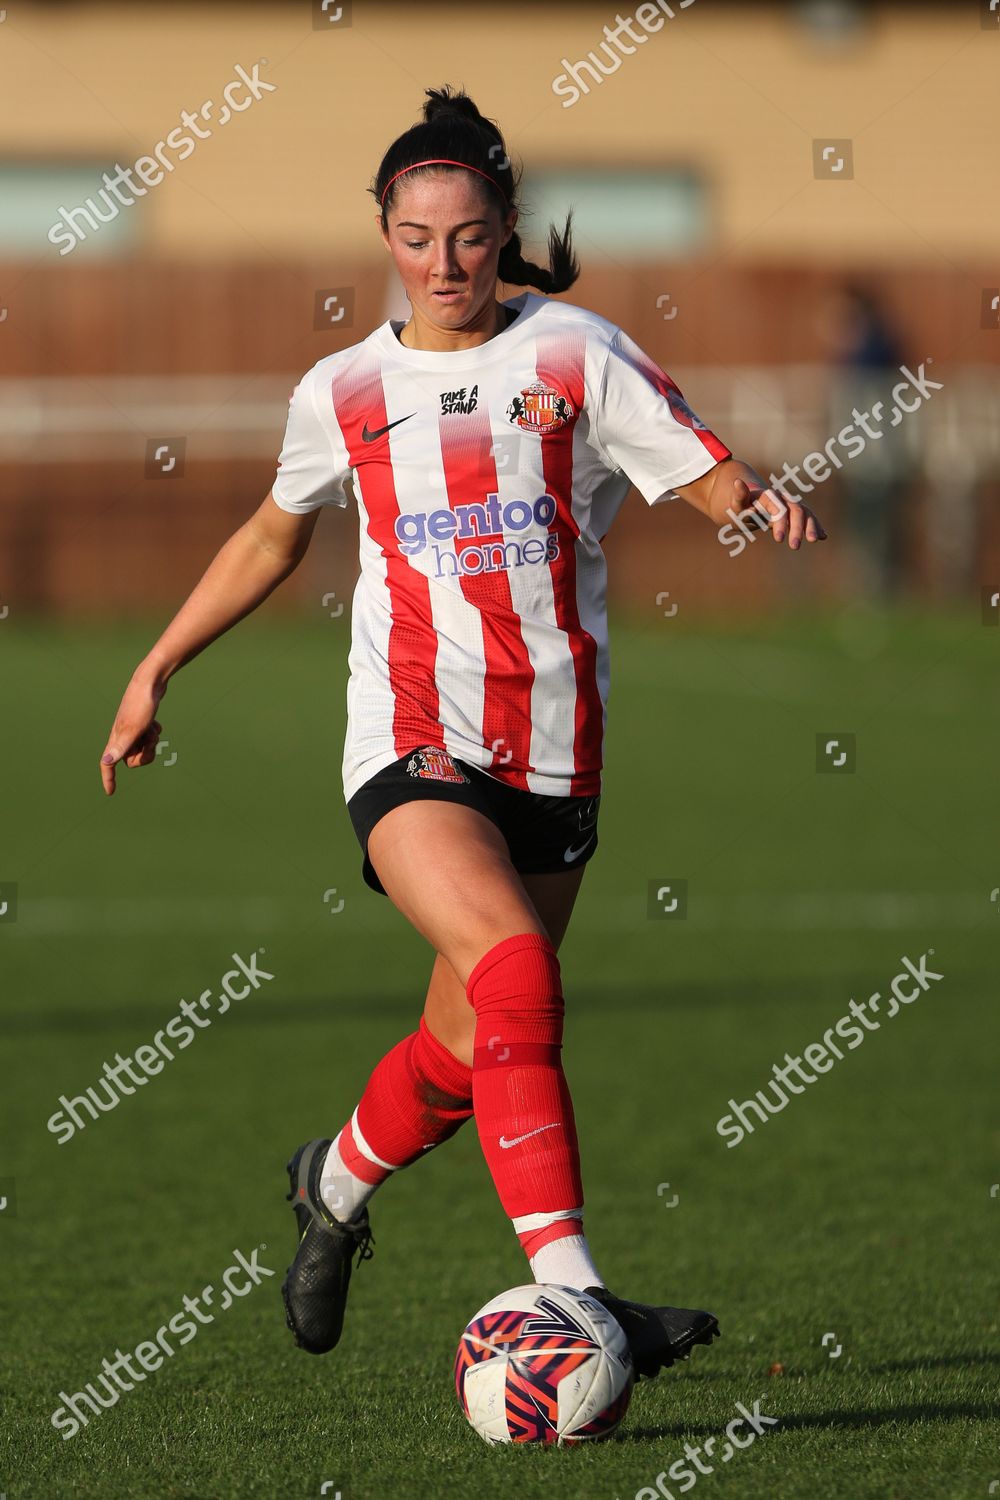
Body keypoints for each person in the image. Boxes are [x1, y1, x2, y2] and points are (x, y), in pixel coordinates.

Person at [99, 86, 826, 1382]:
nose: (444, 263)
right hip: (412, 743)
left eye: (472, 235)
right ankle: (583, 1298)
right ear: (382, 232)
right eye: (417, 236)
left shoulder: (575, 354)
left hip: (555, 753)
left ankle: (333, 1182)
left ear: (507, 232)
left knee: (459, 1048)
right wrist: (159, 665)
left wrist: (752, 503)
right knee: (513, 974)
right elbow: (277, 529)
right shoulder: (345, 388)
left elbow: (698, 464)